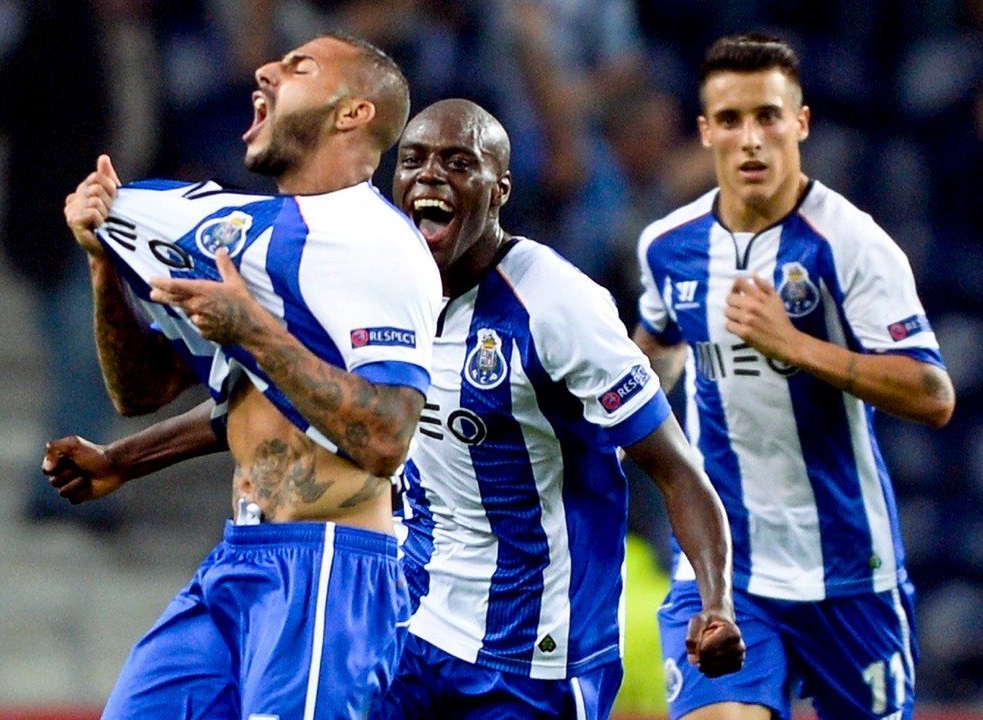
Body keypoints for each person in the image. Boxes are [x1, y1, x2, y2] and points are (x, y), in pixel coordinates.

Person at [49, 98, 745, 718]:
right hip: (410, 621)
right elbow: (286, 402)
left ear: (500, 189)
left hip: (534, 656)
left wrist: (714, 603)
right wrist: (123, 459)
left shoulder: (558, 308)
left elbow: (677, 471)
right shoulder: (370, 285)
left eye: (457, 163)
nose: (430, 176)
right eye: (414, 160)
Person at [60, 34, 441, 719]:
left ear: (353, 113)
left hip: (329, 564)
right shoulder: (251, 240)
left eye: (299, 67)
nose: (265, 69)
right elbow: (140, 392)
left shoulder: (376, 245)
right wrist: (102, 264)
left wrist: (253, 331)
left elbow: (388, 438)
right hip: (240, 556)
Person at [631, 34, 956, 720]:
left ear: (800, 123)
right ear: (705, 132)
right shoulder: (668, 246)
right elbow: (658, 347)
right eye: (730, 119)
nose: (750, 139)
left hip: (848, 569)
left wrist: (796, 346)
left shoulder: (853, 244)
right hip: (726, 570)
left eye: (768, 116)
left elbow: (933, 395)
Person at [0, 0, 123, 531]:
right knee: (83, 358)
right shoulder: (59, 41)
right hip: (63, 231)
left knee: (83, 358)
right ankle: (71, 486)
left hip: (79, 228)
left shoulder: (90, 44)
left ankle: (68, 484)